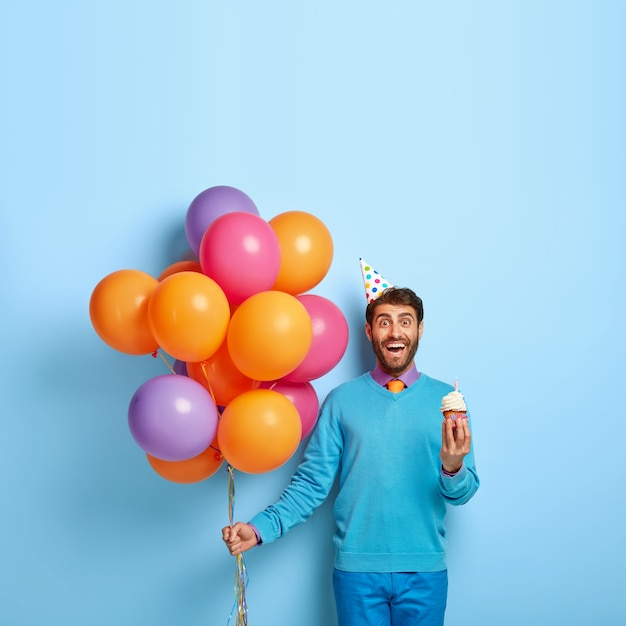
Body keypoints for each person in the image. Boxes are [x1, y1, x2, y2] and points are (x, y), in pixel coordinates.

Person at [222, 286, 479, 626]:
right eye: (384, 322)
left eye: (406, 321)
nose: (396, 331)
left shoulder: (448, 402)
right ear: (369, 331)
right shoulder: (342, 401)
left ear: (420, 329)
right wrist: (259, 530)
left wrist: (453, 466)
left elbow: (463, 493)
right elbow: (310, 486)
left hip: (425, 570)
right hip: (357, 573)